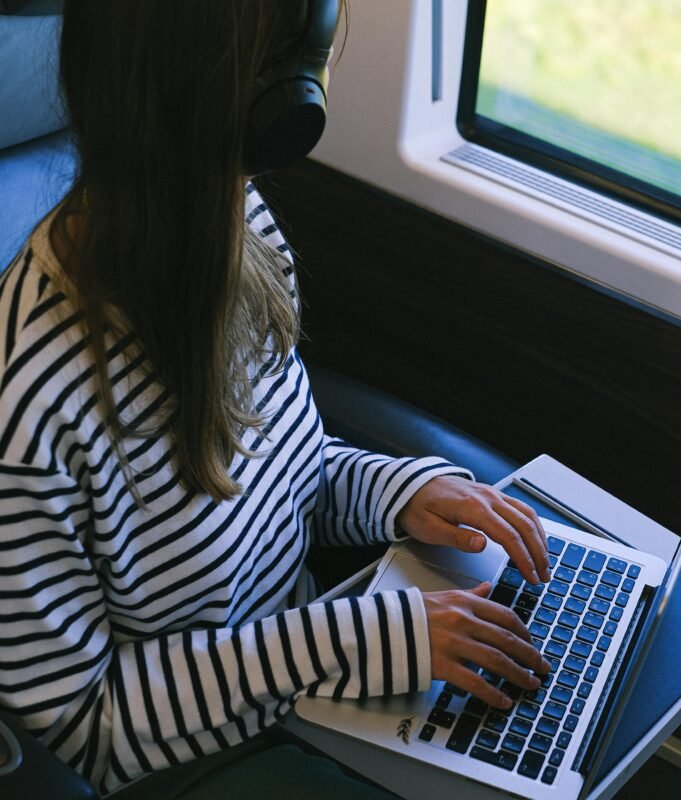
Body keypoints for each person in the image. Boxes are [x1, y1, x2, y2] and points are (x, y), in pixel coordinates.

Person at [0, 1, 551, 796]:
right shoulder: (30, 410)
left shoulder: (240, 228)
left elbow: (275, 478)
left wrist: (401, 493)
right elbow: (87, 727)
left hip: (309, 677)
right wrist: (359, 640)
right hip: (191, 763)